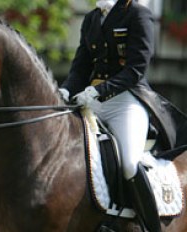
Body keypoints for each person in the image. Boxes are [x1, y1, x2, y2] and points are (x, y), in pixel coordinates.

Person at [59, 0, 166, 231]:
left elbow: (136, 69)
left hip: (126, 102)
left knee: (129, 163)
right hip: (92, 101)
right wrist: (66, 89)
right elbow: (81, 65)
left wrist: (99, 90)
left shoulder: (138, 14)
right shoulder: (92, 18)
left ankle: (148, 224)